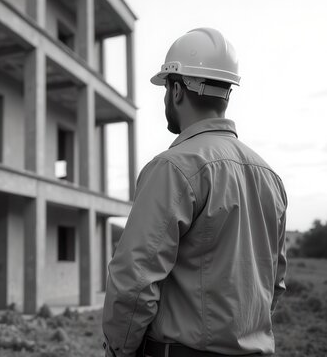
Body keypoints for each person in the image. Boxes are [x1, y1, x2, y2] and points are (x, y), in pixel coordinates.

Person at [102, 27, 288, 357]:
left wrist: (119, 350)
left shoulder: (173, 168)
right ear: (227, 92)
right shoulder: (269, 177)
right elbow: (274, 282)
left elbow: (135, 280)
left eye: (165, 88)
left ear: (176, 90)